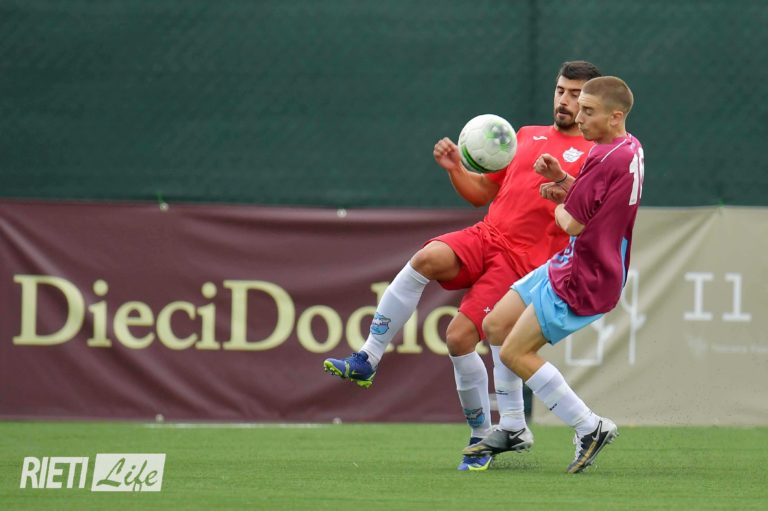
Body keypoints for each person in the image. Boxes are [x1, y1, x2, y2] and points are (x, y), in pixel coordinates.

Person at [324, 61, 602, 471]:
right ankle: (368, 357)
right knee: (426, 258)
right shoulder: (526, 135)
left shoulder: (597, 154)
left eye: (576, 94)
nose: (564, 100)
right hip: (486, 235)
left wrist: (562, 180)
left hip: (522, 263)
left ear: (592, 102)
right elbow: (481, 193)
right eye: (561, 90)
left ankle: (480, 437)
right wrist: (457, 168)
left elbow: (591, 214)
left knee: (457, 339)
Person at [463, 76, 643, 473]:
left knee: (514, 352)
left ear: (615, 116)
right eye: (579, 108)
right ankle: (513, 427)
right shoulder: (629, 146)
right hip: (573, 261)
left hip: (586, 274)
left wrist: (560, 203)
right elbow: (595, 200)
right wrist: (563, 181)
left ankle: (589, 426)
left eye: (588, 110)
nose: (579, 117)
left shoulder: (605, 156)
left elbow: (573, 223)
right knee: (495, 325)